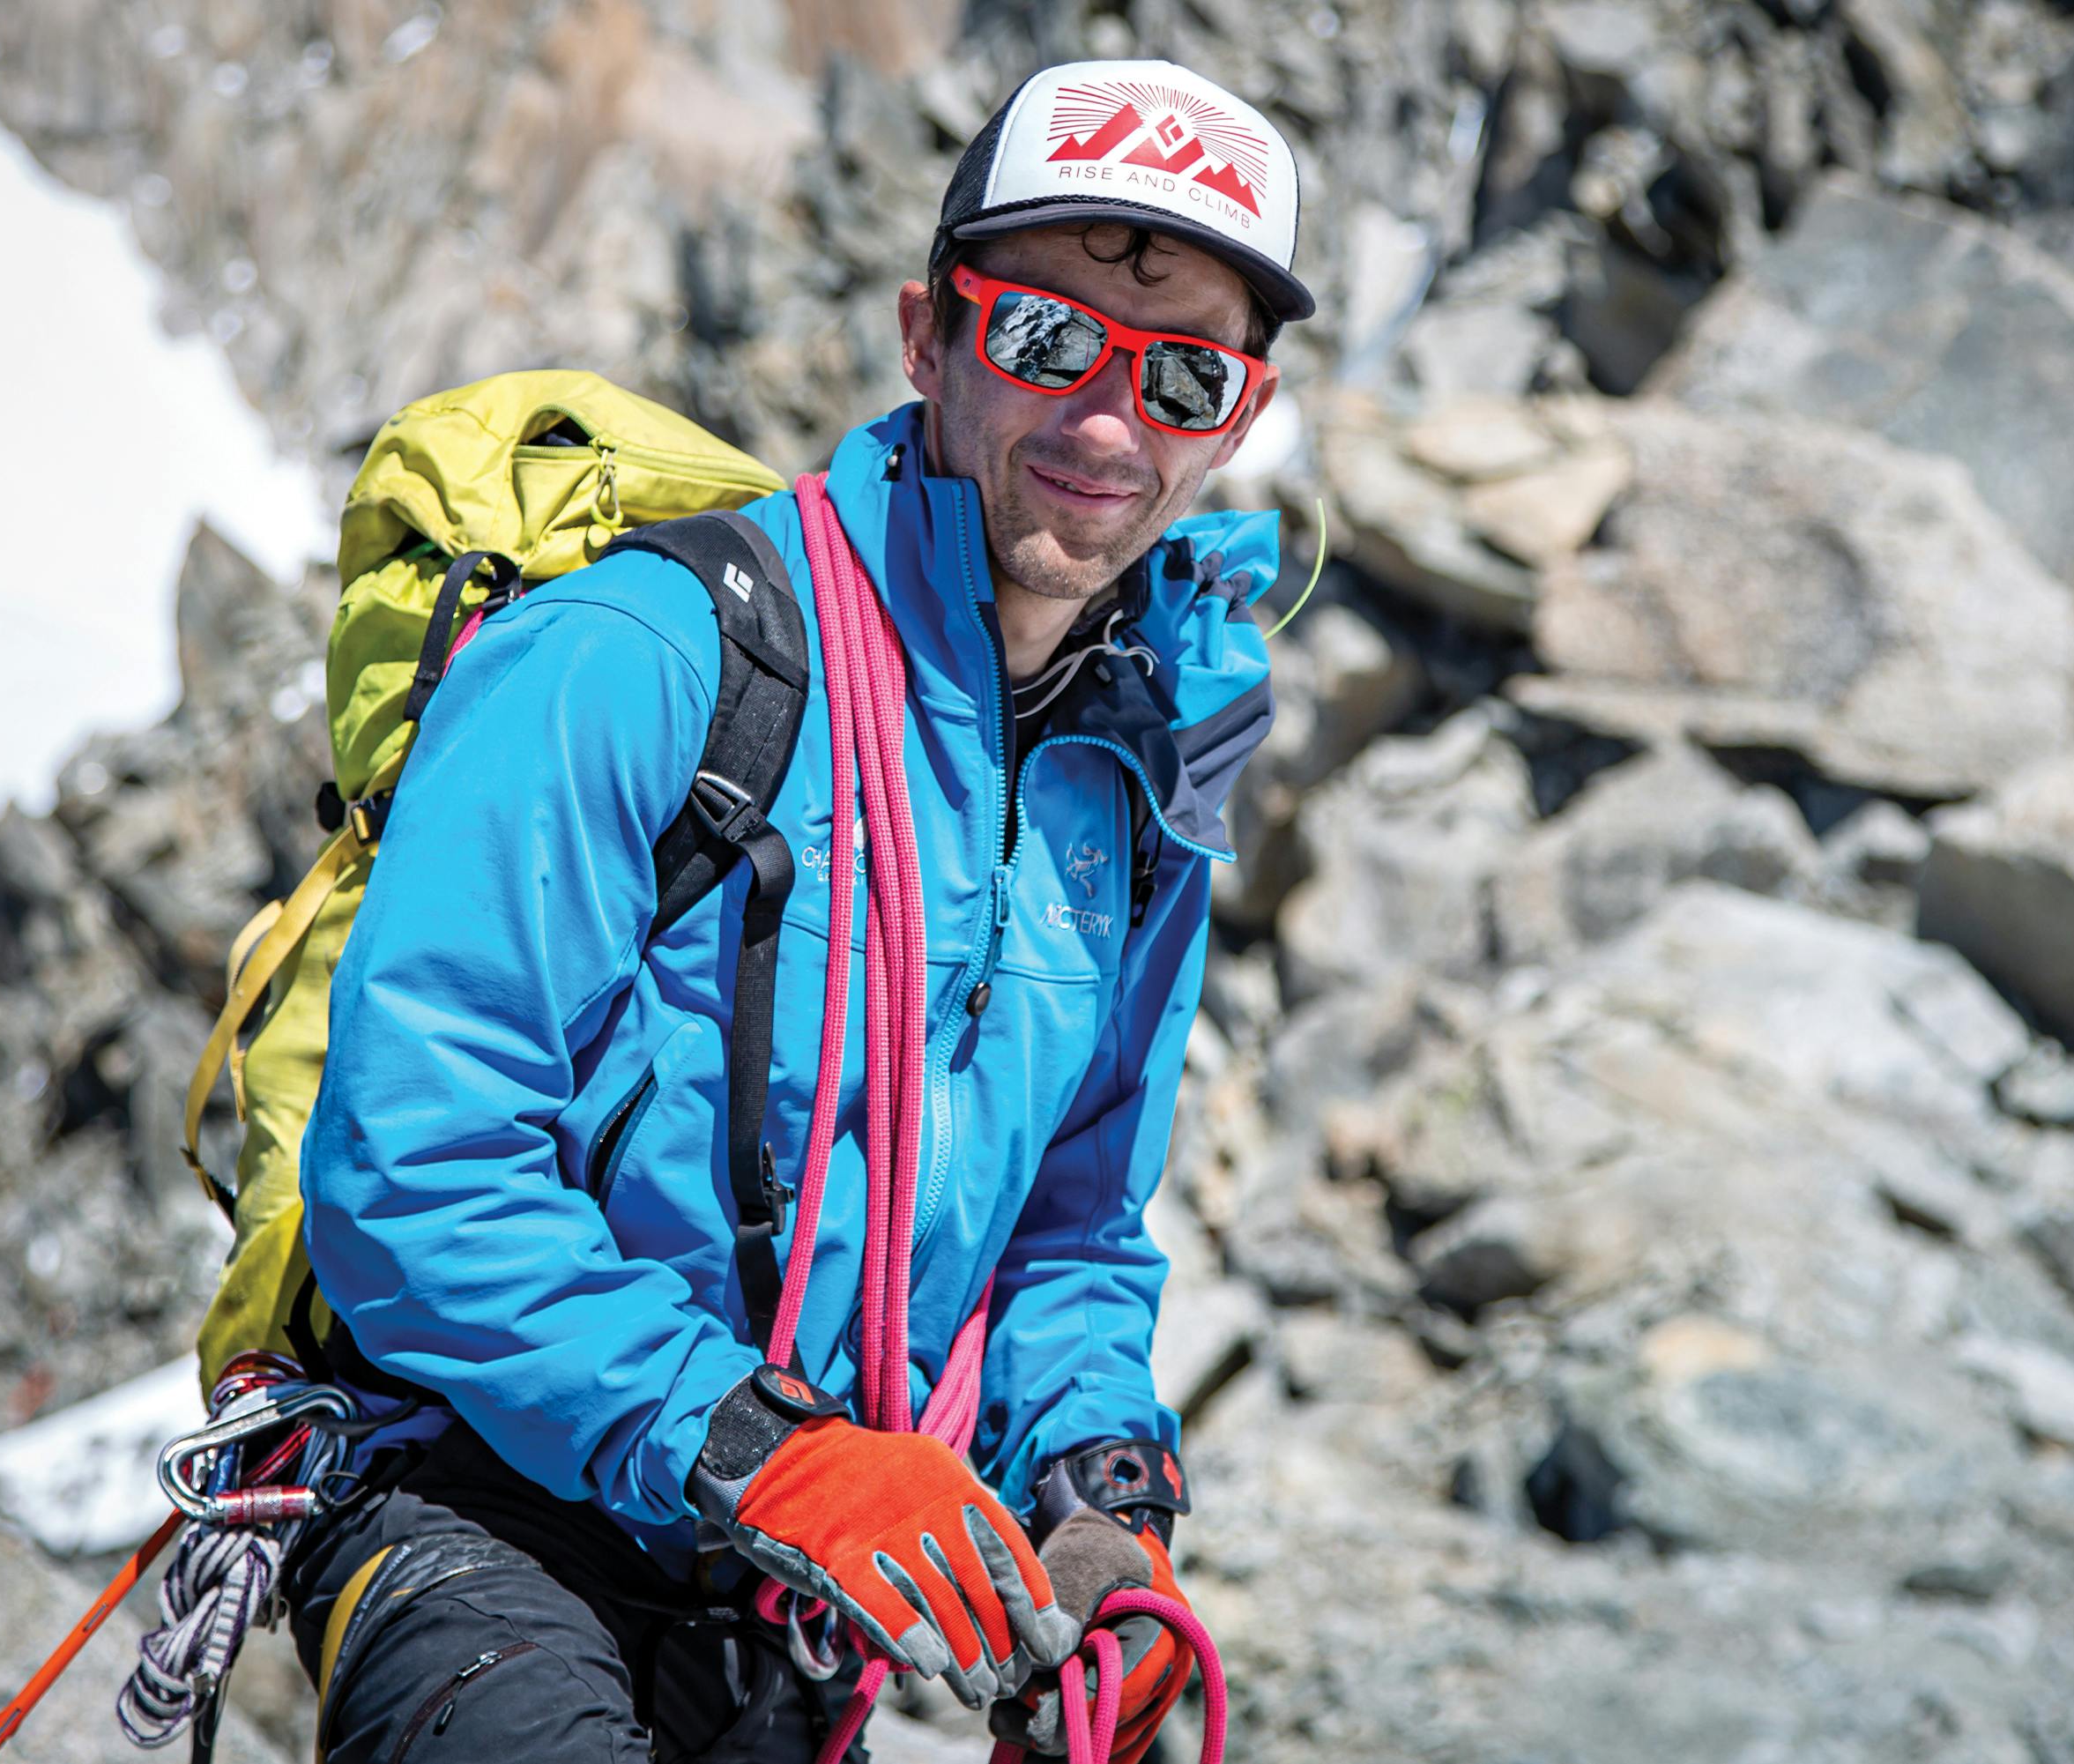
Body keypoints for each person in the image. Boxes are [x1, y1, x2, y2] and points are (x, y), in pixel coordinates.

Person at [282, 56, 1315, 1764]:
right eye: (1045, 337)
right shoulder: (644, 658)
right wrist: (773, 1450)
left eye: (1186, 374)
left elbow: (1073, 1227)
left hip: (792, 1600)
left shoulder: (1132, 784)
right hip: (483, 1510)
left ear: (1238, 411)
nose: (1111, 422)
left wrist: (1103, 1507)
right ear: (929, 336)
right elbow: (415, 1160)